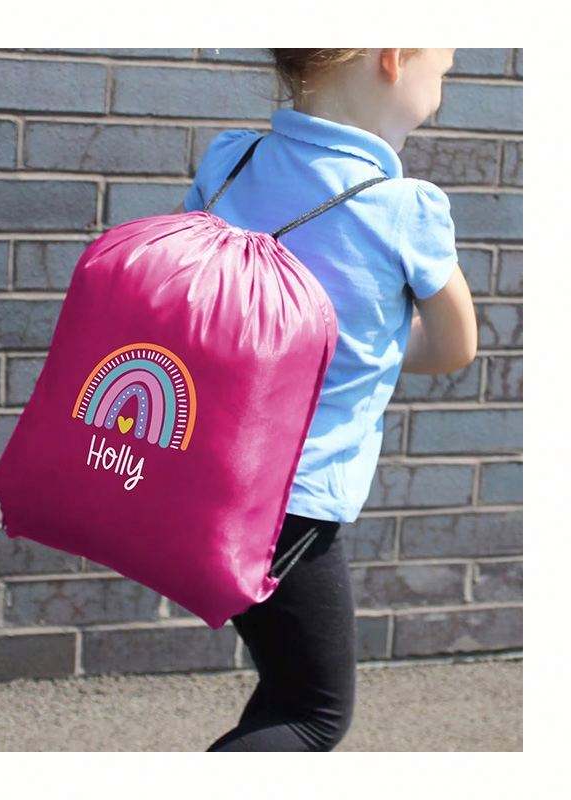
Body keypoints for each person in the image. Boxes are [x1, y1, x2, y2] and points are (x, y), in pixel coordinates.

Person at [173, 48, 478, 751]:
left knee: (283, 686)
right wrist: (367, 349)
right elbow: (454, 347)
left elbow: (188, 294)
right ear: (394, 58)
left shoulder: (230, 162)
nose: (445, 80)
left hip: (191, 470)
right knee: (311, 712)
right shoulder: (404, 209)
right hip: (289, 504)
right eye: (444, 66)